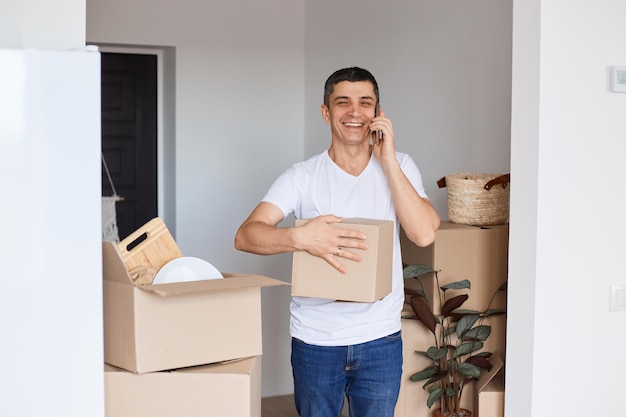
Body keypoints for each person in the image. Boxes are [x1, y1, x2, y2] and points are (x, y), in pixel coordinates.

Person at [235, 67, 440, 417]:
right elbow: (246, 236)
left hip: (380, 337)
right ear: (326, 112)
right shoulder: (302, 177)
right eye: (342, 102)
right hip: (316, 340)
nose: (355, 112)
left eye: (365, 103)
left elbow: (423, 233)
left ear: (378, 113)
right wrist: (299, 237)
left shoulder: (400, 166)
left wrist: (388, 160)